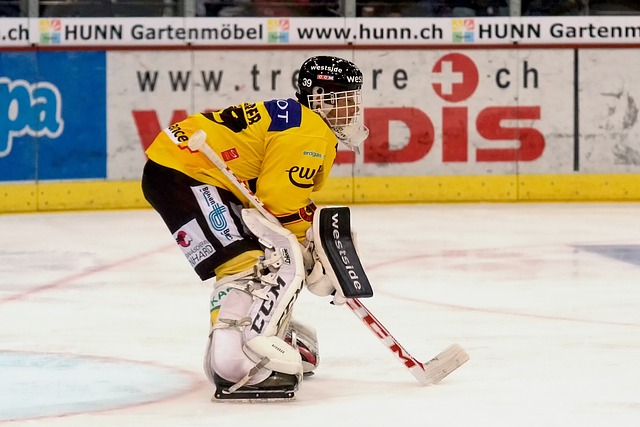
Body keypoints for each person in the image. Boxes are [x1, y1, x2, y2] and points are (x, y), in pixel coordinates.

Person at [141, 56, 369, 399]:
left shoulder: (305, 124)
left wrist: (313, 243)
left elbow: (277, 202)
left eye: (354, 99)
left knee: (272, 256)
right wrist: (313, 250)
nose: (351, 109)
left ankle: (267, 329)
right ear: (319, 97)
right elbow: (278, 204)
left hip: (190, 170)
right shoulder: (309, 132)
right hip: (185, 174)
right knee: (245, 265)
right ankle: (235, 363)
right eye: (343, 100)